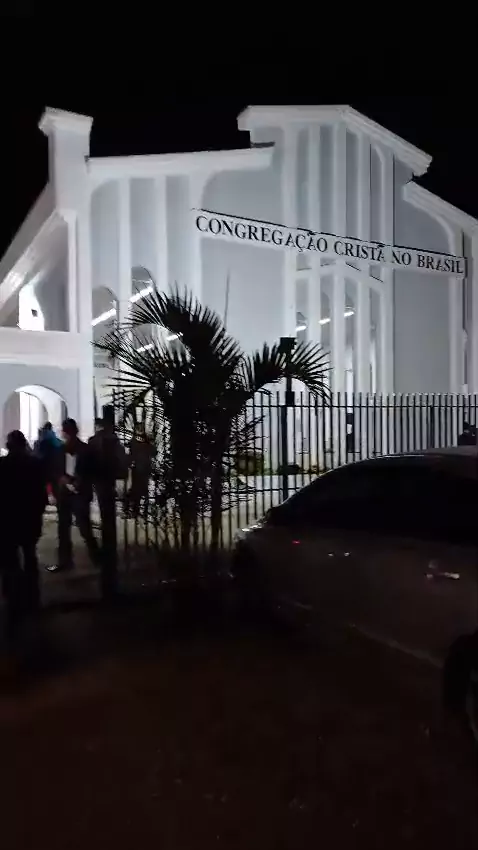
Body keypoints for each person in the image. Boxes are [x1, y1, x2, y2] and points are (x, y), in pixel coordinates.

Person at [0, 430, 48, 637]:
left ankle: (13, 598)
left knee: (9, 560)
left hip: (8, 520)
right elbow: (41, 494)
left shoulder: (2, 465)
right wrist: (38, 512)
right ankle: (32, 597)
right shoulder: (35, 464)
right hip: (29, 519)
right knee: (29, 556)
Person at [46, 418, 100, 573]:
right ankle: (65, 561)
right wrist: (61, 480)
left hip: (80, 492)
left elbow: (92, 471)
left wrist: (79, 481)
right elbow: (55, 470)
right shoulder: (60, 450)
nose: (66, 434)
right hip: (64, 493)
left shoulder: (85, 450)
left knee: (84, 527)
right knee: (64, 529)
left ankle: (97, 558)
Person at [87, 417, 128, 596]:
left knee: (106, 513)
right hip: (108, 481)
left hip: (99, 480)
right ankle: (109, 550)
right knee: (108, 514)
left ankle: (107, 552)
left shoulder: (94, 441)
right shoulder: (115, 442)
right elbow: (123, 463)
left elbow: (88, 461)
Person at [127, 424, 154, 516]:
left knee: (140, 491)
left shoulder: (139, 441)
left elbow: (152, 452)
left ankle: (139, 510)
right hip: (140, 469)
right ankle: (139, 510)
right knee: (139, 491)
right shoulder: (137, 441)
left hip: (141, 469)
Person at [33, 421, 62, 496]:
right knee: (55, 489)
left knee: (43, 490)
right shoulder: (57, 441)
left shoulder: (40, 442)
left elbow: (36, 455)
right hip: (54, 469)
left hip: (44, 469)